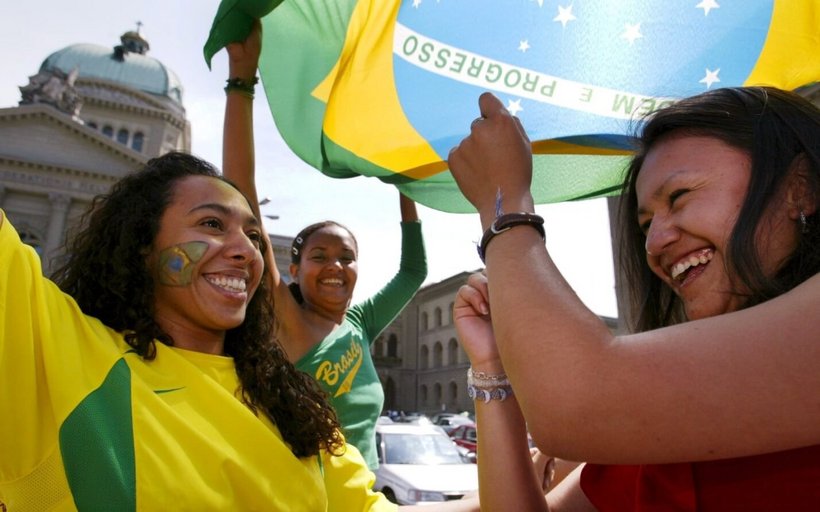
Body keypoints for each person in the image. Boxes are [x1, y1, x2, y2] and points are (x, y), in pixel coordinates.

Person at [448, 87, 820, 510]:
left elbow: (576, 403)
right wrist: (492, 368)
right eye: (646, 225)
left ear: (800, 189)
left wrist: (505, 204)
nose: (656, 242)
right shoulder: (666, 398)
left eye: (679, 198)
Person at [1, 151, 416, 510]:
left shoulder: (292, 407)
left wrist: (484, 374)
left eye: (254, 236)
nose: (246, 251)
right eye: (212, 225)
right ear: (142, 245)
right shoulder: (56, 347)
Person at [221, 22, 427, 471]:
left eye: (346, 257)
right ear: (293, 270)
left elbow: (413, 273)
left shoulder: (359, 323)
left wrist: (405, 190)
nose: (335, 265)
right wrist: (241, 80)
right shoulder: (284, 317)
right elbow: (241, 190)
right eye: (319, 256)